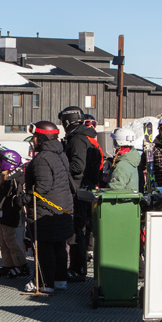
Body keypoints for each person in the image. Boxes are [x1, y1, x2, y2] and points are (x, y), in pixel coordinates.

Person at [22, 120, 75, 293]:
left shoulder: (42, 159)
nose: (33, 140)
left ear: (43, 138)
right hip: (61, 207)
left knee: (44, 248)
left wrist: (24, 199)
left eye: (35, 137)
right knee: (59, 245)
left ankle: (44, 283)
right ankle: (60, 279)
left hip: (46, 210)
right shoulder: (60, 154)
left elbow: (42, 187)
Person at [60, 105, 103, 282]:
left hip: (78, 189)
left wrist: (61, 167)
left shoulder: (77, 139)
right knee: (79, 229)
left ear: (68, 121)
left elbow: (78, 167)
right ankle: (78, 267)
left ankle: (77, 268)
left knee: (76, 230)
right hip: (84, 187)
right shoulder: (85, 136)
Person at [0, 150, 29, 278]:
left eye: (1, 161)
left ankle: (21, 265)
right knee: (2, 239)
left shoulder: (13, 178)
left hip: (10, 211)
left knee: (9, 239)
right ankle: (8, 264)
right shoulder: (5, 175)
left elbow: (3, 196)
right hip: (4, 211)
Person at [106, 128, 140, 192]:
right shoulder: (131, 159)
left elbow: (114, 190)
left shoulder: (121, 167)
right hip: (130, 197)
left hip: (122, 198)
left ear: (118, 143)